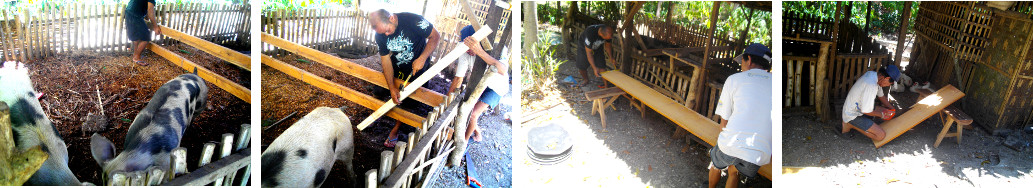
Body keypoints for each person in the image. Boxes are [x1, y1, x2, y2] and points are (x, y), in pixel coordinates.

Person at [369, 9, 441, 147]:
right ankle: (380, 114)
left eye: (387, 30)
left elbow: (435, 36)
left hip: (418, 67)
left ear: (392, 18)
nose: (386, 35)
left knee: (409, 100)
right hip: (397, 66)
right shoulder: (380, 35)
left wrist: (422, 58)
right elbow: (385, 61)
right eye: (382, 33)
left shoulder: (413, 20)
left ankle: (395, 130)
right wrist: (391, 87)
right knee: (379, 90)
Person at [708, 43, 772, 188]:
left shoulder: (734, 79)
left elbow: (723, 124)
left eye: (742, 61)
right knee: (734, 170)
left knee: (716, 162)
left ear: (748, 59)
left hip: (730, 145)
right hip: (759, 155)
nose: (741, 66)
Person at [458, 27, 508, 142]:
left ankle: (463, 143)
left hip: (496, 88)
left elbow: (502, 70)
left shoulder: (499, 48)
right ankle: (477, 132)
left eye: (470, 45)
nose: (468, 50)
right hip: (482, 85)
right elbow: (459, 77)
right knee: (467, 109)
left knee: (473, 114)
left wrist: (479, 51)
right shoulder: (467, 53)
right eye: (466, 45)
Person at [841, 64, 901, 141]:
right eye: (890, 83)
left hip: (856, 107)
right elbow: (865, 111)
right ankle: (849, 124)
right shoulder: (871, 85)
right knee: (880, 136)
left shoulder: (874, 76)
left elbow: (881, 96)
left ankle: (855, 123)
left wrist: (892, 109)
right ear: (887, 78)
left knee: (884, 110)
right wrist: (882, 115)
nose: (888, 85)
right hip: (852, 114)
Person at [125, 0, 161, 66]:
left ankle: (135, 56)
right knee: (146, 38)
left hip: (129, 12)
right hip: (135, 15)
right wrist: (155, 26)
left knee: (136, 36)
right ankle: (137, 58)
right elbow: (150, 12)